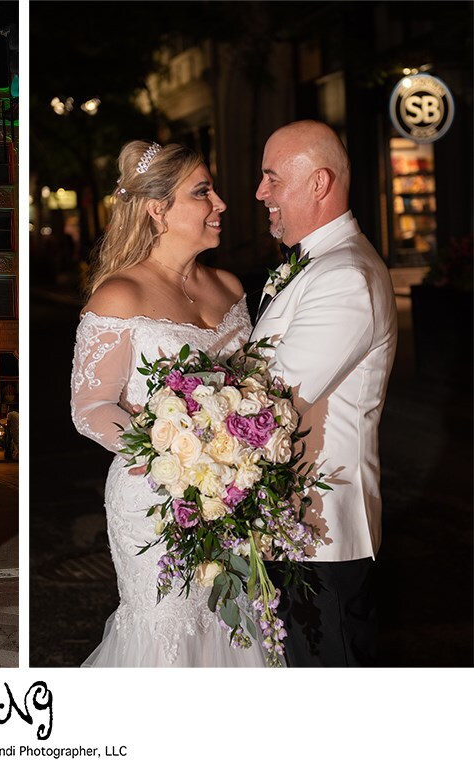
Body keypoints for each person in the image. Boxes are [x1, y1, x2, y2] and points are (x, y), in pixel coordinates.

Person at [70, 140, 265, 667]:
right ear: (158, 209)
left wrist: (239, 454)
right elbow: (90, 406)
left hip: (234, 493)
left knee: (237, 623)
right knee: (167, 636)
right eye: (203, 192)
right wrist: (174, 460)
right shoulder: (121, 294)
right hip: (154, 499)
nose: (220, 203)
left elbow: (252, 389)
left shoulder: (229, 287)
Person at [251, 120, 397, 667]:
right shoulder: (317, 265)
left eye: (272, 178)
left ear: (318, 183)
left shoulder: (344, 276)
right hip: (296, 528)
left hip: (323, 533)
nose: (260, 192)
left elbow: (265, 405)